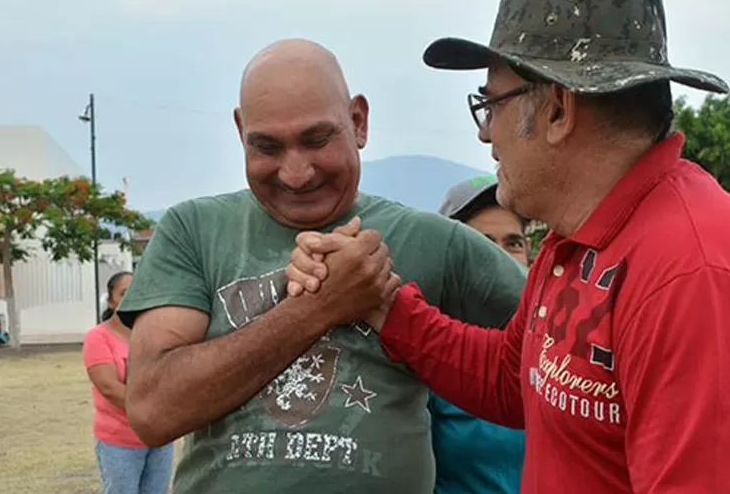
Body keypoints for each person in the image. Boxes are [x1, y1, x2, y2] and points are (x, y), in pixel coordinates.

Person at [284, 0, 730, 493]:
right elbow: (515, 380)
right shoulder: (578, 239)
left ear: (557, 109)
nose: (486, 134)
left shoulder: (697, 274)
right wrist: (380, 302)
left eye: (492, 105)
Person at [114, 39, 526, 494]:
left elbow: (562, 353)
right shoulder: (193, 230)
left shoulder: (434, 241)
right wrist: (320, 307)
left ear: (358, 122)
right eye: (267, 147)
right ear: (239, 131)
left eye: (316, 139)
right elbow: (153, 411)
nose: (295, 173)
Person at [432, 174, 528, 494]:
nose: (499, 256)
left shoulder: (557, 346)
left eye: (513, 243)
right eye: (483, 243)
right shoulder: (427, 349)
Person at [83, 271, 175, 494]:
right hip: (120, 442)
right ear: (112, 301)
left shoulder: (156, 336)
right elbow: (108, 387)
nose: (132, 297)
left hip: (159, 439)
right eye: (124, 293)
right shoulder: (98, 337)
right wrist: (150, 410)